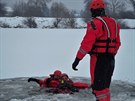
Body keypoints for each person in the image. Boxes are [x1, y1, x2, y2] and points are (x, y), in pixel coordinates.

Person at [72, 0, 121, 101]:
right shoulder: (115, 23)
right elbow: (117, 43)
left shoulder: (95, 23)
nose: (91, 13)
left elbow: (86, 44)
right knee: (105, 88)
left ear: (94, 10)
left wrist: (77, 59)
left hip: (99, 60)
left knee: (98, 89)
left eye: (92, 11)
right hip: (111, 60)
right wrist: (111, 54)